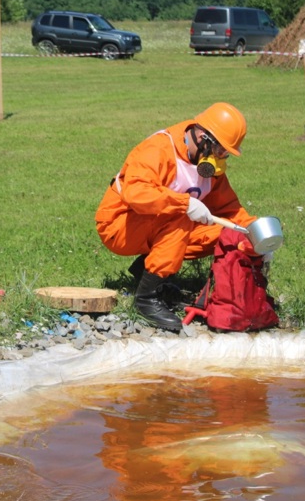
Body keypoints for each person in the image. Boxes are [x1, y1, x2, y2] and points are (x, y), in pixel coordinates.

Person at [95, 102, 256, 332]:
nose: (222, 159)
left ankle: (147, 271)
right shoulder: (159, 149)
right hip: (119, 225)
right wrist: (184, 203)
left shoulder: (207, 165)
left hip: (159, 226)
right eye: (221, 151)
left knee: (228, 232)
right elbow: (136, 194)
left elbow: (230, 211)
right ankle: (146, 300)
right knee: (179, 215)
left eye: (226, 154)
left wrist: (254, 234)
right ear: (202, 137)